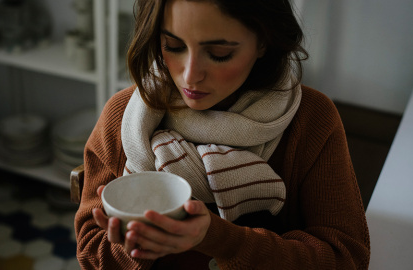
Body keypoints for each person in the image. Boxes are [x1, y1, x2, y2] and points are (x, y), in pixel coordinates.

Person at [74, 0, 371, 269]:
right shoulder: (124, 116)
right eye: (173, 46)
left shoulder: (310, 120)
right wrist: (137, 246)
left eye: (219, 54)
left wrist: (222, 240)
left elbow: (346, 258)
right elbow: (90, 253)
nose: (190, 75)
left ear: (264, 42)